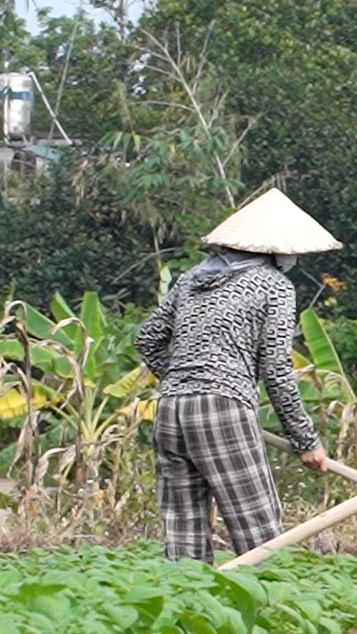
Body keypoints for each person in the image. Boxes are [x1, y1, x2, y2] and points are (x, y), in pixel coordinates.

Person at [136, 188, 338, 563]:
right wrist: (306, 440)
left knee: (184, 543)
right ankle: (271, 614)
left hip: (169, 411)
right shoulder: (274, 285)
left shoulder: (190, 279)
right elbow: (277, 369)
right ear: (278, 250)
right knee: (259, 533)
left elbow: (147, 339)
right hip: (223, 407)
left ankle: (186, 614)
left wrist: (183, 382)